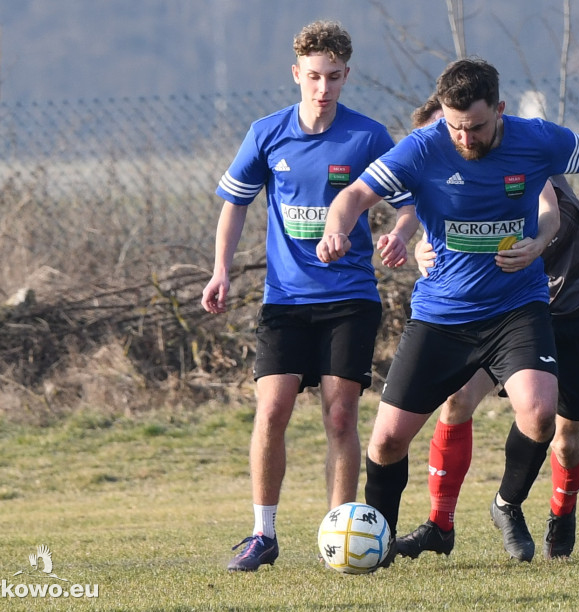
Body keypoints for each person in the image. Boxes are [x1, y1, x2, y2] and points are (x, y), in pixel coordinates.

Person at [316, 58, 579, 565]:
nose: (463, 137)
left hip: (515, 308)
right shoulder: (425, 145)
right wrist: (337, 228)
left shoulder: (535, 139)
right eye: (454, 126)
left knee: (541, 410)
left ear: (499, 110)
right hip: (442, 314)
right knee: (388, 439)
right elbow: (353, 195)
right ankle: (381, 540)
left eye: (476, 126)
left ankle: (506, 502)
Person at [200, 20, 417, 572]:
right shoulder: (267, 133)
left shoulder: (367, 137)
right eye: (314, 77)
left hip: (350, 299)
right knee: (271, 410)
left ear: (347, 76)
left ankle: (339, 537)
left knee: (340, 418)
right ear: (297, 74)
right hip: (285, 302)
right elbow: (236, 203)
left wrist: (399, 231)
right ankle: (262, 533)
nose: (323, 88)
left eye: (334, 77)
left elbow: (411, 200)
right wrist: (220, 270)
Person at [397, 96, 579, 562]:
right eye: (445, 134)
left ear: (488, 122)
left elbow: (548, 209)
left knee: (564, 437)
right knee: (457, 400)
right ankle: (441, 525)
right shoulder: (443, 168)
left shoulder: (522, 155)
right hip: (509, 313)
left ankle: (560, 509)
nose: (458, 142)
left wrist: (536, 243)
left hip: (577, 305)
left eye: (464, 130)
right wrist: (419, 244)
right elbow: (438, 219)